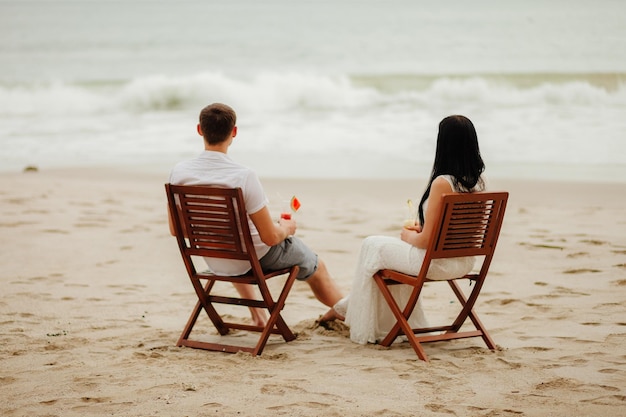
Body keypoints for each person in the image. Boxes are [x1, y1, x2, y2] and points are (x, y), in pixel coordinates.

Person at [168, 103, 343, 327]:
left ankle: (258, 316)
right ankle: (348, 312)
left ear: (200, 130)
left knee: (237, 243)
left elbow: (176, 230)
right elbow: (270, 238)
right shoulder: (243, 176)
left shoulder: (179, 172)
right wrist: (286, 228)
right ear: (234, 132)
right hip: (249, 260)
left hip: (215, 259)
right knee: (315, 265)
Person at [322, 115, 487, 345]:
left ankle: (347, 312)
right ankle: (344, 308)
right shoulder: (479, 182)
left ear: (444, 144)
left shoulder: (443, 182)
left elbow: (427, 241)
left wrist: (410, 235)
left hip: (435, 263)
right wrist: (426, 228)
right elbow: (460, 231)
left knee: (371, 245)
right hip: (463, 262)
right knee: (377, 258)